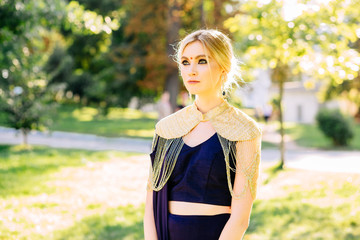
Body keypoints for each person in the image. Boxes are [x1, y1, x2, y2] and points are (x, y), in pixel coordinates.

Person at [144, 29, 262, 240]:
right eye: (186, 62)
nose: (191, 70)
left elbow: (241, 218)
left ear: (223, 68)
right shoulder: (166, 128)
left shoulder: (244, 130)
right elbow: (151, 203)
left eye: (202, 61)